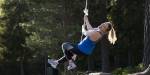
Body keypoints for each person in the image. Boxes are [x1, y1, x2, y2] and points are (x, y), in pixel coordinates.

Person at [48, 10, 117, 70]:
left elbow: (86, 33)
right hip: (81, 49)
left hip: (82, 50)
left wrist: (83, 28)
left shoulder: (98, 34)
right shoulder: (98, 30)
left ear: (105, 30)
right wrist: (86, 17)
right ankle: (56, 63)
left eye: (104, 26)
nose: (102, 24)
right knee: (68, 54)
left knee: (65, 45)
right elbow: (90, 28)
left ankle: (71, 63)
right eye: (104, 23)